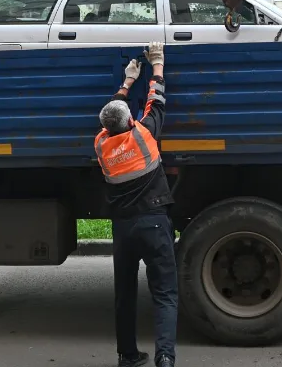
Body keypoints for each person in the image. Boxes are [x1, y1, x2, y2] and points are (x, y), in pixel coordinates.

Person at [95, 41, 176, 367]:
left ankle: (128, 356)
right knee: (165, 294)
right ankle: (165, 358)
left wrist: (127, 82)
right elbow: (156, 101)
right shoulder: (144, 136)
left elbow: (112, 114)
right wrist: (156, 63)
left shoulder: (102, 144)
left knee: (125, 295)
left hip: (124, 228)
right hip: (154, 223)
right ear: (131, 122)